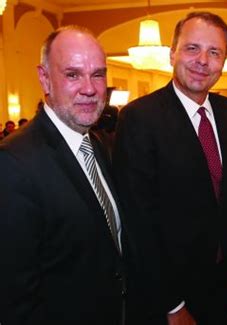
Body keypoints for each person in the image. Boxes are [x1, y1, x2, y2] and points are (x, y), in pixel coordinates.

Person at [113, 11, 227, 324]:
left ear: (224, 62)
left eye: (214, 52)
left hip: (223, 284)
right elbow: (138, 222)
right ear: (171, 54)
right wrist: (172, 305)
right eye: (192, 48)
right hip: (167, 295)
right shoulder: (140, 119)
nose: (202, 60)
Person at [0, 26, 133, 325]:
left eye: (98, 74)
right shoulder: (13, 164)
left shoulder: (98, 143)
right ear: (45, 79)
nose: (89, 88)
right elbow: (15, 300)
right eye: (72, 74)